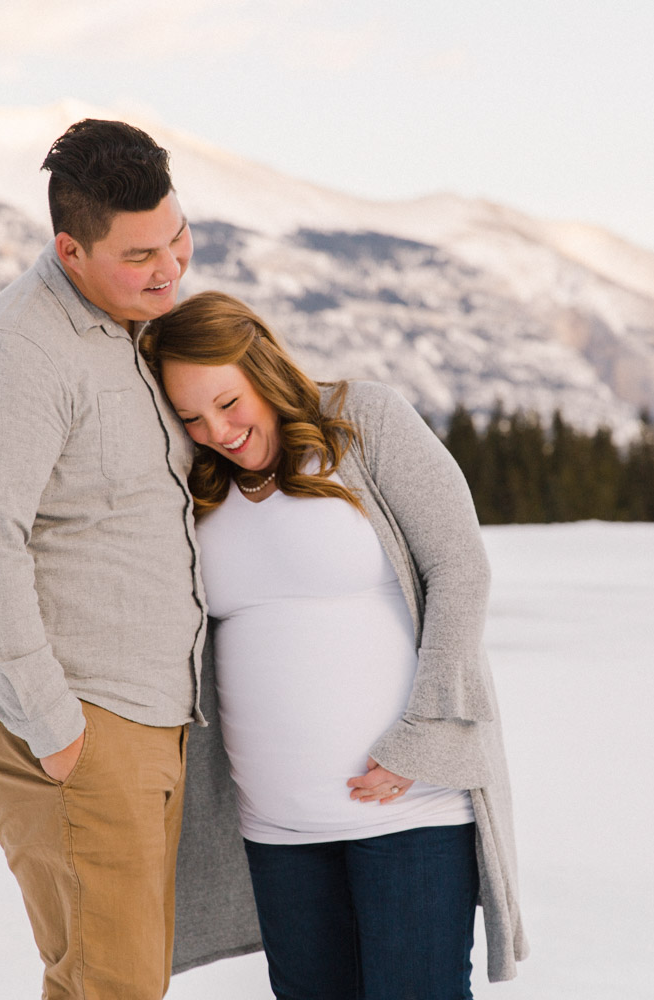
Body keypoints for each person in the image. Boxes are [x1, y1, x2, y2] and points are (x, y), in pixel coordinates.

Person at [146, 291, 528, 999]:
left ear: (263, 366)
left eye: (229, 403)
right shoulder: (196, 484)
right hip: (278, 825)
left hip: (409, 807)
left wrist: (421, 736)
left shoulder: (363, 422)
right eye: (192, 418)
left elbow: (459, 567)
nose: (218, 432)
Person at [0, 119, 207, 1000]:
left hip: (139, 716)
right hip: (72, 716)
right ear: (70, 248)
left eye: (177, 237)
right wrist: (54, 729)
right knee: (112, 985)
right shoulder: (16, 351)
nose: (168, 268)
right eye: (139, 255)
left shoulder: (126, 330)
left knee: (113, 981)